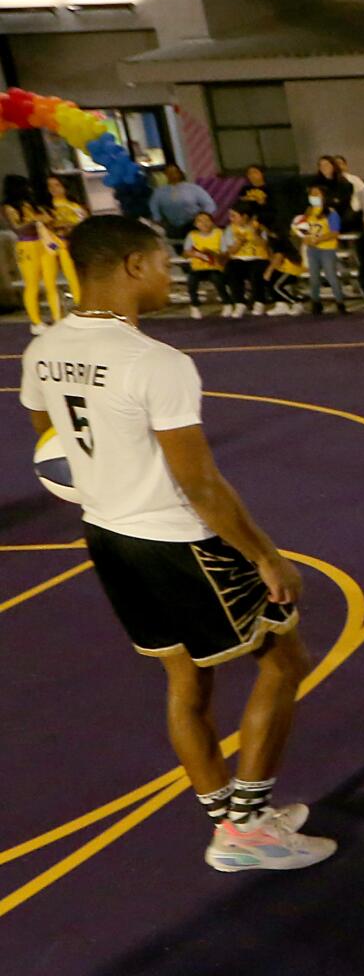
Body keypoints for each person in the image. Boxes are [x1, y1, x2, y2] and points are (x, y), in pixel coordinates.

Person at [18, 216, 333, 871]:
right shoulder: (156, 363)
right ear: (133, 265)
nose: (172, 273)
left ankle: (229, 819)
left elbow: (50, 440)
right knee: (283, 660)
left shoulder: (42, 349)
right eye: (164, 262)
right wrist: (266, 556)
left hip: (109, 534)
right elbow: (202, 485)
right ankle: (247, 830)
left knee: (184, 679)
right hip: (180, 541)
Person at [223, 205, 275, 317]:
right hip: (239, 259)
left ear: (244, 216)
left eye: (234, 216)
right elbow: (230, 251)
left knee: (256, 272)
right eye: (230, 216)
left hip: (258, 258)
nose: (231, 218)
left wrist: (254, 233)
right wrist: (239, 242)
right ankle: (239, 303)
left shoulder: (259, 227)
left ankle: (259, 302)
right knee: (232, 270)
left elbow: (264, 244)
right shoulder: (230, 229)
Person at [182, 211, 230, 319]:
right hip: (198, 267)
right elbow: (185, 253)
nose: (204, 223)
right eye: (200, 221)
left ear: (212, 222)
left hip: (215, 267)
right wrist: (195, 253)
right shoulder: (192, 235)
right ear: (196, 224)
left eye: (206, 220)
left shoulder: (219, 233)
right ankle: (195, 306)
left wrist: (212, 253)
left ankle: (227, 303)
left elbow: (225, 253)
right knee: (192, 281)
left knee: (217, 279)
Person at [147, 164, 214, 241]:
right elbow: (154, 207)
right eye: (169, 173)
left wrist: (203, 219)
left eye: (174, 172)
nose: (172, 175)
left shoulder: (193, 188)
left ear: (179, 173)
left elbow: (209, 204)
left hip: (192, 224)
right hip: (171, 227)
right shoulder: (159, 192)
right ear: (165, 174)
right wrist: (158, 220)